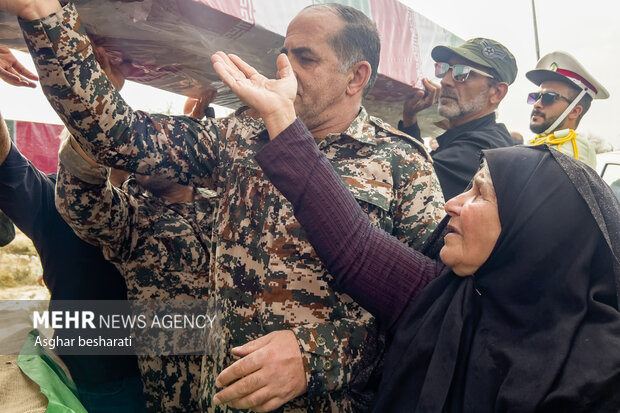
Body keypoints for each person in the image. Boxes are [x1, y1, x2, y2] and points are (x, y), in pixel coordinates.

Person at [7, 2, 444, 411]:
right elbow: (119, 135)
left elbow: (432, 312)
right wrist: (46, 18)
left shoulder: (402, 162)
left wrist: (316, 355)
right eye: (284, 53)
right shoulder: (240, 137)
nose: (286, 70)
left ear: (356, 77)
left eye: (306, 58)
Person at [210, 51, 620, 411]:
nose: (451, 204)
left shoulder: (595, 379)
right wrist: (281, 116)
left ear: (530, 234)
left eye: (479, 194)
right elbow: (355, 244)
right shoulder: (443, 298)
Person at [0, 101, 144, 413]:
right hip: (104, 382)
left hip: (170, 369)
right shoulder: (50, 197)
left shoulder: (155, 200)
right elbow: (4, 159)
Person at [56, 132, 214, 412]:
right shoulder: (131, 213)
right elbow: (81, 203)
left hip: (240, 376)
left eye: (159, 144)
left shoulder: (222, 205)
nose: (148, 155)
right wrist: (91, 124)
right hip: (177, 394)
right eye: (139, 149)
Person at [398, 38, 517, 200]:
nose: (445, 81)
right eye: (445, 69)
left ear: (496, 92)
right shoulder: (468, 137)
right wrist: (409, 119)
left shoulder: (484, 150)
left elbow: (405, 184)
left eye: (462, 73)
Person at [526, 51, 609, 169]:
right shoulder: (536, 143)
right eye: (535, 97)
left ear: (574, 111)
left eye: (549, 97)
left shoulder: (575, 149)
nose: (537, 104)